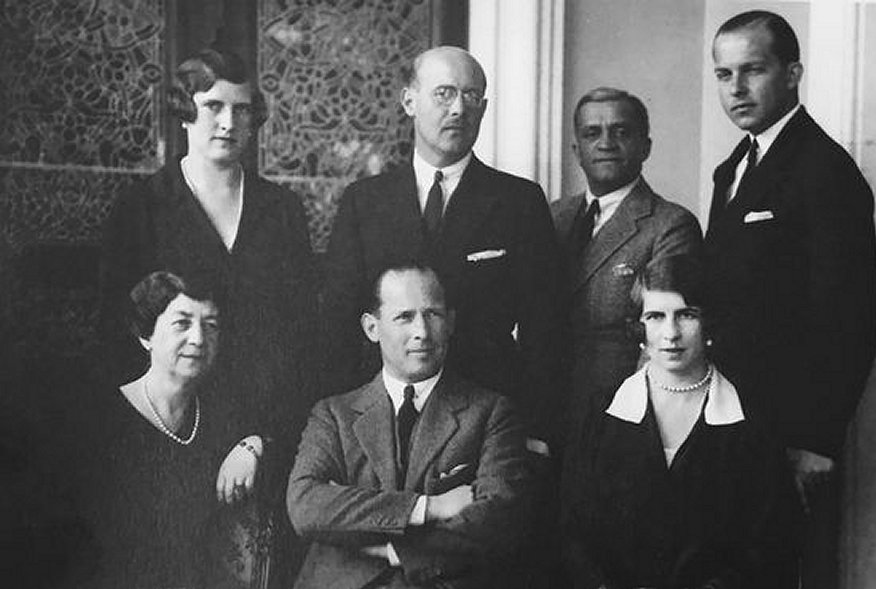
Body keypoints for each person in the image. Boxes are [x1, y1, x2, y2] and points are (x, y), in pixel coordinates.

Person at [705, 11, 876, 588]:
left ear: (793, 72)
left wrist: (815, 440)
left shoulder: (825, 170)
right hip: (731, 425)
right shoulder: (732, 169)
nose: (736, 88)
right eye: (724, 73)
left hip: (790, 434)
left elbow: (849, 321)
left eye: (752, 69)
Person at [322, 45, 564, 453]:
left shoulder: (518, 202)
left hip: (485, 418)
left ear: (484, 109)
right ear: (409, 101)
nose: (458, 109)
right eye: (444, 93)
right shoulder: (364, 201)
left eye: (471, 97)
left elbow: (547, 328)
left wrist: (536, 427)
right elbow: (337, 321)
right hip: (380, 419)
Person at [99, 48, 317, 479]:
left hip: (262, 434)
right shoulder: (141, 208)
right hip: (164, 428)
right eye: (213, 106)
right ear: (184, 111)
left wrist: (261, 439)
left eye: (241, 110)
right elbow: (115, 332)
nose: (228, 123)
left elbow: (301, 334)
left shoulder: (282, 211)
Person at [287, 263, 533, 589]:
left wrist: (394, 550)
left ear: (452, 322)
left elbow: (498, 518)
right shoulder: (333, 414)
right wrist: (429, 508)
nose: (422, 332)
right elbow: (306, 505)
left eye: (433, 314)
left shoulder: (492, 413)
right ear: (371, 328)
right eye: (404, 317)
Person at [560, 255, 799, 589]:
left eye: (687, 315)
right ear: (638, 327)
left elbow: (771, 548)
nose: (670, 333)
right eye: (655, 316)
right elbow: (573, 532)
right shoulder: (603, 413)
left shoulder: (749, 423)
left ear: (710, 323)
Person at [74, 271, 257, 587]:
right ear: (146, 336)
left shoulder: (220, 417)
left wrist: (252, 445)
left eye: (210, 325)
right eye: (182, 324)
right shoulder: (98, 421)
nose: (199, 339)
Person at [551, 87, 701, 425]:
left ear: (645, 146)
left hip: (619, 409)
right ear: (577, 150)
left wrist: (631, 422)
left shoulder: (670, 224)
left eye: (622, 132)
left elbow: (663, 338)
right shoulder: (554, 216)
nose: (606, 143)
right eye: (592, 134)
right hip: (549, 406)